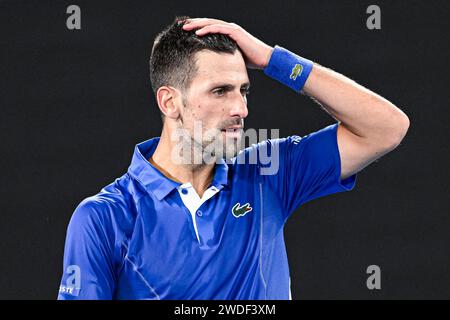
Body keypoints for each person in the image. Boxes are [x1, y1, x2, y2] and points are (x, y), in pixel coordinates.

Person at [57, 16, 409, 300]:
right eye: (220, 91)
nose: (240, 108)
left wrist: (274, 60)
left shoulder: (268, 172)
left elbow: (386, 128)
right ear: (169, 102)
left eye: (244, 90)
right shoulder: (103, 218)